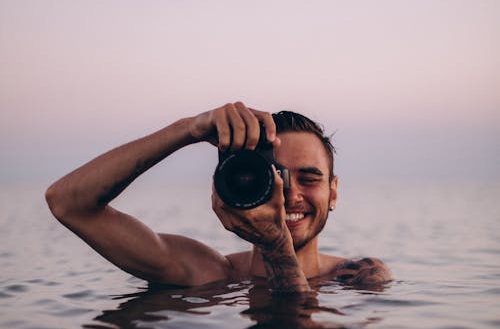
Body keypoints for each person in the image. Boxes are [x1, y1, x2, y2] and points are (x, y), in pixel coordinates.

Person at [45, 101, 391, 292]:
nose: (289, 193)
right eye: (275, 176)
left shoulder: (358, 277)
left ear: (333, 192)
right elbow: (68, 203)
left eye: (309, 178)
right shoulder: (210, 272)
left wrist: (275, 246)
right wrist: (187, 129)